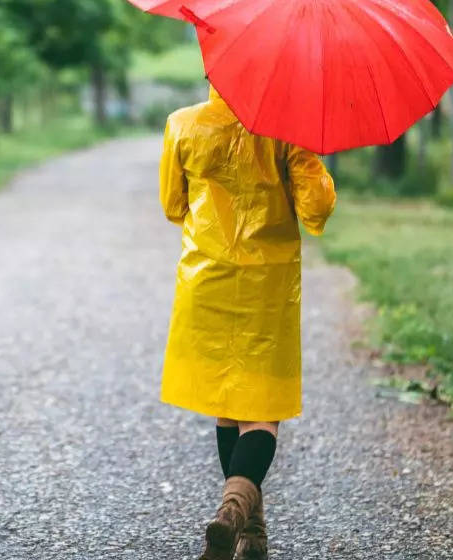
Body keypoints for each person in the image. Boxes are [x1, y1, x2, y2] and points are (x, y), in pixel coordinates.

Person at [158, 84, 337, 560]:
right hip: (267, 285)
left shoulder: (183, 124)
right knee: (261, 409)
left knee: (227, 404)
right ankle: (233, 512)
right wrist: (309, 154)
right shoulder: (287, 132)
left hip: (208, 279)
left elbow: (174, 206)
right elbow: (316, 210)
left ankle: (251, 534)